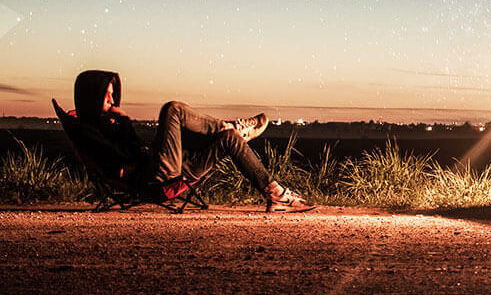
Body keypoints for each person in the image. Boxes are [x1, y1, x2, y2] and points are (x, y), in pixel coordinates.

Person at [71, 70, 314, 213]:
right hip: (154, 178)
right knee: (173, 110)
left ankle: (276, 194)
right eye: (107, 95)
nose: (112, 100)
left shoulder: (107, 124)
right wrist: (125, 130)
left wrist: (124, 126)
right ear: (91, 97)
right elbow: (118, 163)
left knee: (227, 140)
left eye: (113, 94)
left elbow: (132, 147)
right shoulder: (86, 130)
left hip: (166, 166)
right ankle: (231, 125)